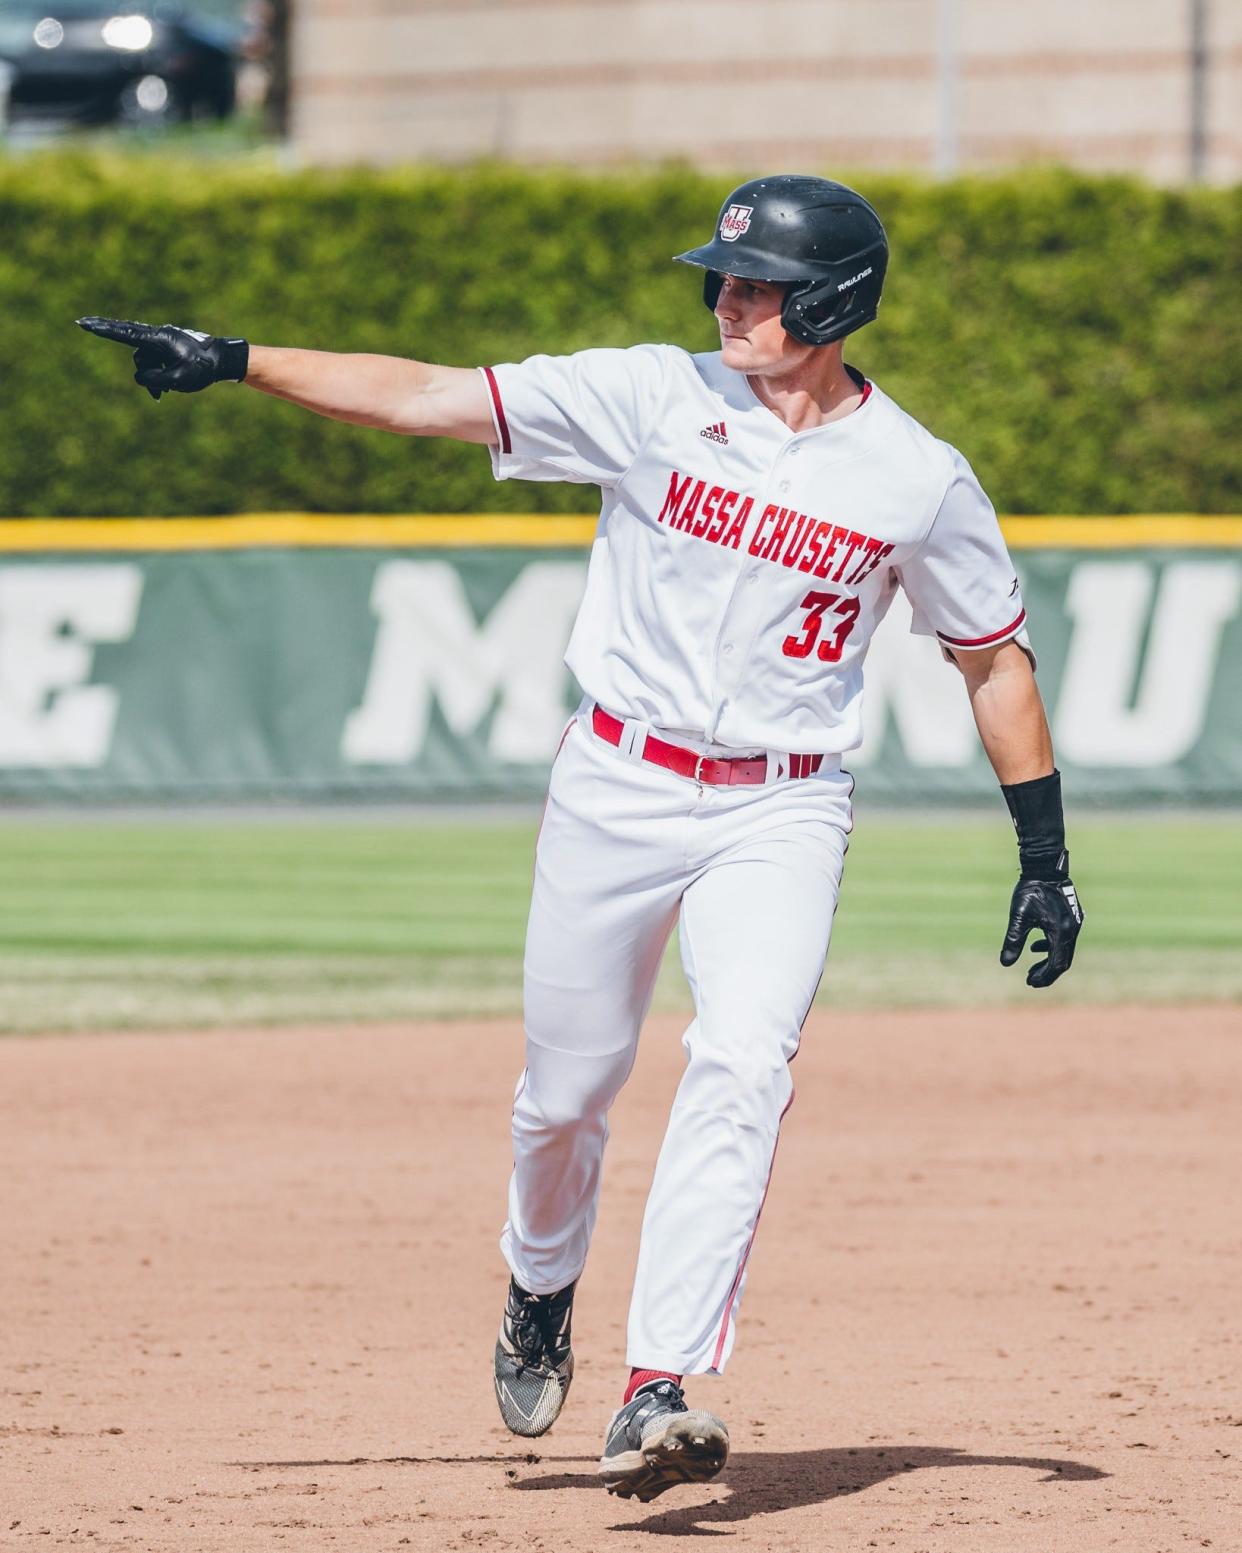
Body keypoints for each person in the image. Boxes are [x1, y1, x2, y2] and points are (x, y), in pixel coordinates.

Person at [79, 173, 1084, 1504]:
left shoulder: (916, 478)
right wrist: (238, 361)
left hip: (782, 803)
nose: (727, 298)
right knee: (565, 1095)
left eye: (757, 283)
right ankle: (539, 1281)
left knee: (741, 1058)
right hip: (614, 781)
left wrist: (1044, 852)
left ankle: (657, 1380)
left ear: (834, 300)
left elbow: (992, 659)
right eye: (722, 278)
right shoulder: (650, 397)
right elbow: (433, 393)